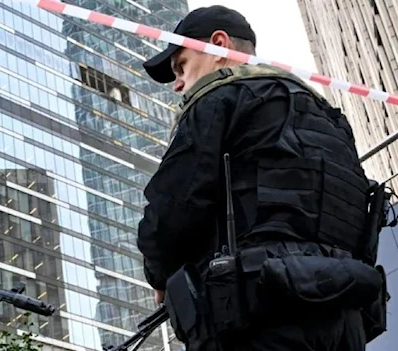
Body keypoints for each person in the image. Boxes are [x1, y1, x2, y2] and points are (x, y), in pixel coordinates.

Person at [137, 5, 387, 351]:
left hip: (259, 314)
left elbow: (174, 205)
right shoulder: (332, 120)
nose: (178, 83)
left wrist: (159, 273)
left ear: (218, 46)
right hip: (344, 317)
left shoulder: (218, 99)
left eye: (181, 65)